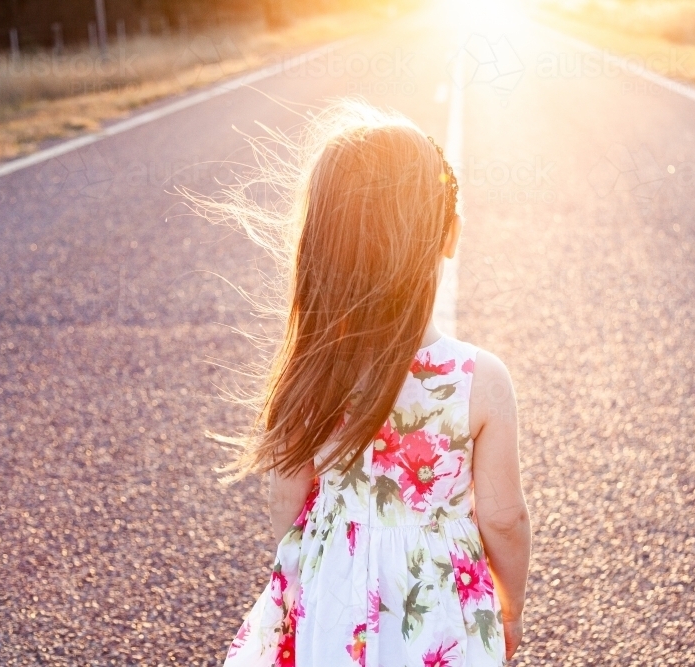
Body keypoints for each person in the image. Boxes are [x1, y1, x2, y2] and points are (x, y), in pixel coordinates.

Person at [211, 99, 531, 667]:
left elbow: (288, 499)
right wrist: (510, 609)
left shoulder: (310, 367)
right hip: (441, 608)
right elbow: (503, 518)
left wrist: (309, 572)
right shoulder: (480, 380)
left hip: (333, 598)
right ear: (450, 236)